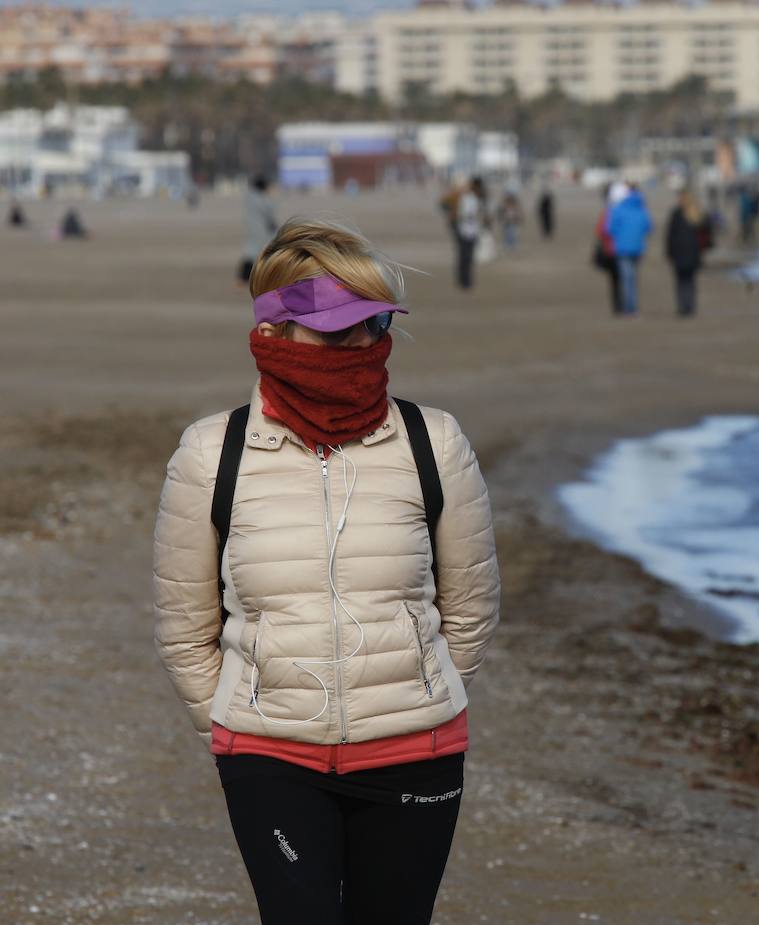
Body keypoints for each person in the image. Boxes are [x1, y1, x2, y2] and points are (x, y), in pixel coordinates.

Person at [153, 217, 500, 925]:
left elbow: (471, 608)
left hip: (415, 753)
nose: (360, 344)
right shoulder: (209, 453)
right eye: (336, 329)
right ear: (273, 334)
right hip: (270, 759)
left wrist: (415, 694)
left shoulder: (435, 441)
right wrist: (237, 726)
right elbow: (185, 627)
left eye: (372, 325)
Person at [607, 182, 653, 316]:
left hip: (622, 248)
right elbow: (648, 227)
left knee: (626, 278)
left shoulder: (618, 209)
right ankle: (633, 306)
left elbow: (610, 229)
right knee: (633, 277)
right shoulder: (641, 209)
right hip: (638, 247)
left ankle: (630, 308)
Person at [665, 189, 712, 318]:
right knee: (689, 281)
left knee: (682, 281)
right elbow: (707, 234)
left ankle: (683, 306)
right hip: (692, 253)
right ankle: (689, 306)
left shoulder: (678, 213)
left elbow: (670, 235)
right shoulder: (696, 214)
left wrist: (669, 252)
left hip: (681, 252)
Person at [440, 177, 486, 290]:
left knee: (467, 256)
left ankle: (465, 280)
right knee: (464, 255)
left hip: (470, 229)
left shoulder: (473, 197)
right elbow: (445, 205)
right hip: (462, 229)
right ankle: (464, 281)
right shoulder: (463, 196)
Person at [592, 183, 624, 315]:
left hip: (612, 250)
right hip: (623, 250)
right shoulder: (630, 208)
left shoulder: (609, 211)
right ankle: (626, 306)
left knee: (616, 281)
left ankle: (618, 306)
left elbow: (600, 231)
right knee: (626, 279)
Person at [240, 174, 277, 285]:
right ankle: (247, 277)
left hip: (253, 228)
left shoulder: (250, 198)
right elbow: (270, 217)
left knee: (251, 252)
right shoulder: (264, 201)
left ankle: (244, 278)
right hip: (262, 230)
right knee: (259, 253)